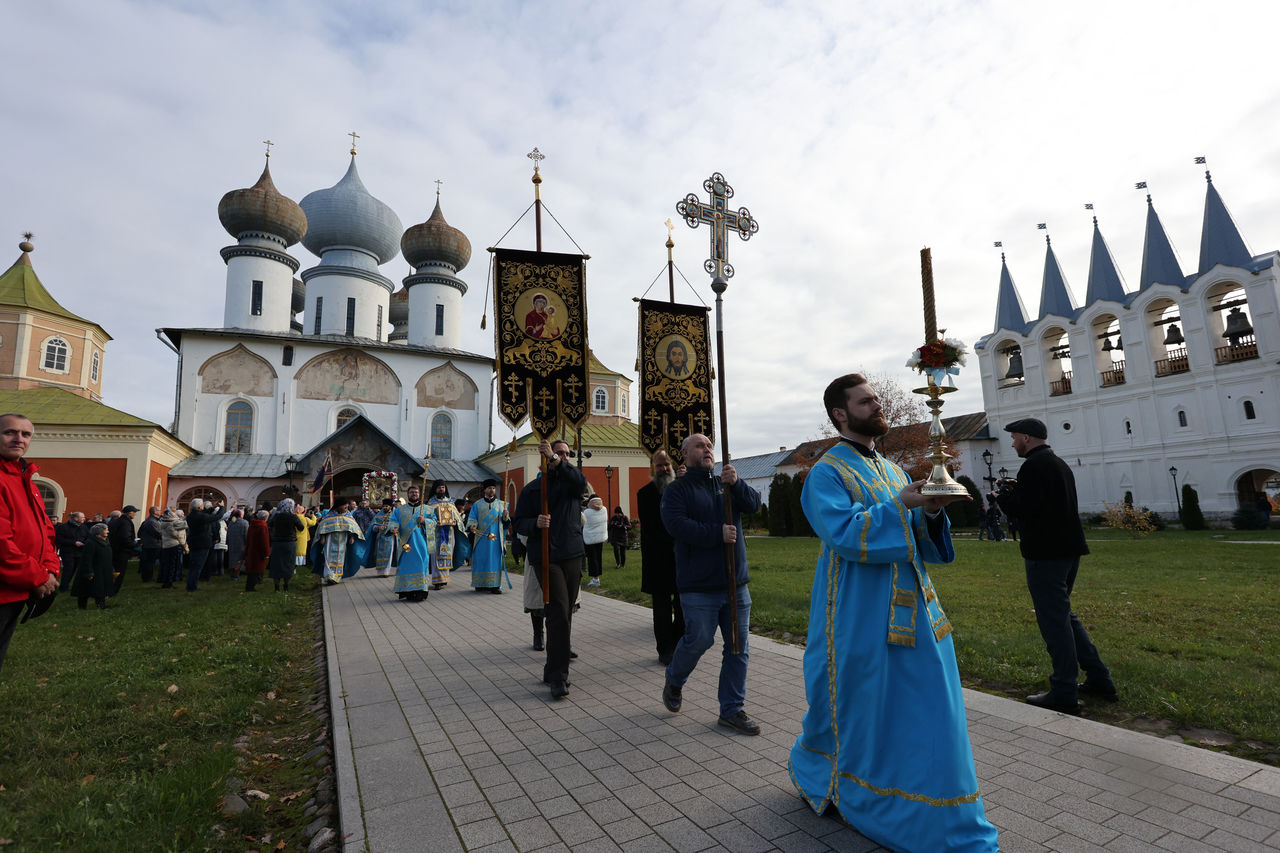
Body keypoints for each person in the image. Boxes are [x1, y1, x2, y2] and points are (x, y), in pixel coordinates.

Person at [787, 374, 998, 852]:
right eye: (866, 401)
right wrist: (900, 506)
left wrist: (929, 512)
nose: (877, 405)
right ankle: (860, 788)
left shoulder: (893, 469)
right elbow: (845, 533)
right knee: (866, 707)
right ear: (841, 414)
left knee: (926, 706)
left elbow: (918, 543)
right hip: (858, 613)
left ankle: (930, 796)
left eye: (877, 398)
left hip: (916, 610)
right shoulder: (826, 473)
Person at [997, 417, 1115, 713]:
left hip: (1045, 553)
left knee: (1054, 623)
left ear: (1026, 437)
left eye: (1014, 438)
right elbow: (1047, 504)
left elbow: (1025, 511)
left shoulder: (1034, 467)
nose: (1012, 444)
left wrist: (1002, 499)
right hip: (1068, 550)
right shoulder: (1057, 463)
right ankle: (1099, 678)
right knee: (1065, 616)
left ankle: (1063, 690)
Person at [659, 433, 762, 735]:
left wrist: (738, 482)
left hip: (735, 582)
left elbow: (754, 505)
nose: (707, 450)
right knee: (700, 639)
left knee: (737, 647)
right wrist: (716, 533)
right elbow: (677, 526)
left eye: (709, 446)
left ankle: (731, 710)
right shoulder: (677, 491)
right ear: (684, 453)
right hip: (699, 584)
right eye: (700, 446)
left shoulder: (725, 484)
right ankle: (675, 679)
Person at [512, 438, 587, 700]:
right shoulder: (533, 490)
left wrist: (556, 461)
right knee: (558, 613)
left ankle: (550, 667)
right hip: (546, 556)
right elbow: (518, 522)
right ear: (545, 457)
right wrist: (536, 523)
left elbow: (580, 483)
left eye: (567, 454)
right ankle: (558, 676)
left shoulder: (572, 484)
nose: (564, 457)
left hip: (572, 552)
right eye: (558, 453)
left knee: (565, 612)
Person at [0, 414, 60, 674]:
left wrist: (49, 569)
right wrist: (38, 577)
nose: (19, 439)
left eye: (25, 435)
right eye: (10, 432)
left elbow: (45, 532)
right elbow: (2, 543)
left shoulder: (25, 479)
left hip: (18, 589)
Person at [637, 451, 683, 665]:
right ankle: (665, 649)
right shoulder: (645, 494)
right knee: (662, 608)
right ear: (652, 468)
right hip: (658, 558)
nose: (664, 469)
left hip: (682, 557)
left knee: (683, 606)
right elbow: (651, 529)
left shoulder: (682, 487)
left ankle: (678, 643)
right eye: (660, 465)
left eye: (667, 465)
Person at [467, 479, 509, 592]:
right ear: (485, 489)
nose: (492, 490)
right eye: (489, 488)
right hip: (481, 537)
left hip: (496, 538)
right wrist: (472, 525)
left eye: (494, 488)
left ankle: (495, 585)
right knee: (481, 559)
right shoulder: (477, 504)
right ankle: (480, 584)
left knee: (494, 561)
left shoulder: (502, 505)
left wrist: (505, 516)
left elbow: (506, 524)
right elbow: (472, 518)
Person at [314, 502, 365, 586]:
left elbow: (351, 527)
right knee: (328, 556)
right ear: (338, 506)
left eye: (347, 505)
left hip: (342, 539)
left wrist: (352, 537)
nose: (346, 506)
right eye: (344, 504)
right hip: (330, 539)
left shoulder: (348, 515)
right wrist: (322, 537)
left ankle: (336, 576)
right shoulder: (329, 515)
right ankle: (328, 575)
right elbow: (323, 526)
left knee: (340, 557)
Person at [184, 498, 226, 591]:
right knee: (197, 566)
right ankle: (192, 587)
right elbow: (217, 517)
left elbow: (205, 513)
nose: (203, 506)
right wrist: (222, 507)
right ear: (199, 507)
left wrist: (213, 507)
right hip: (202, 543)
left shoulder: (191, 515)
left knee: (193, 565)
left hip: (194, 542)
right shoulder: (201, 517)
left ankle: (190, 585)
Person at [426, 481, 461, 589]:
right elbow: (427, 517)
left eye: (443, 487)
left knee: (447, 555)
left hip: (449, 533)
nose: (441, 489)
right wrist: (435, 523)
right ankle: (437, 581)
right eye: (439, 487)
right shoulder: (430, 503)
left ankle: (444, 578)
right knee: (436, 555)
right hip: (436, 533)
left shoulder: (450, 502)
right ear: (435, 489)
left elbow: (457, 517)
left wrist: (455, 522)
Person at [72, 523, 114, 610]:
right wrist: (89, 572)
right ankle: (82, 607)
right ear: (99, 531)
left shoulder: (106, 541)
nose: (108, 531)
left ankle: (101, 605)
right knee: (85, 589)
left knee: (101, 588)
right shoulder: (90, 543)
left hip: (103, 569)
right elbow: (87, 558)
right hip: (93, 569)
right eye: (106, 530)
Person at [268, 499, 304, 592]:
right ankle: (286, 586)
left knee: (277, 565)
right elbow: (301, 528)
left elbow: (270, 525)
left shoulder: (276, 516)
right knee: (288, 564)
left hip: (277, 543)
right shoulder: (293, 517)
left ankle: (276, 587)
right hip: (290, 543)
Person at [54, 511, 90, 591]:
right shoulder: (64, 527)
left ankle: (74, 586)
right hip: (68, 552)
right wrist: (73, 543)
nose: (84, 519)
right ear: (76, 518)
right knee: (68, 569)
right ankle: (63, 587)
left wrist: (84, 543)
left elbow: (88, 536)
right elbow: (59, 539)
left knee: (76, 570)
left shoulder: (83, 527)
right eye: (82, 517)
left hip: (80, 552)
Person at [107, 505, 139, 595]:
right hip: (122, 551)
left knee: (114, 570)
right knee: (119, 571)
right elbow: (125, 537)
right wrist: (134, 545)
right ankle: (113, 589)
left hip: (114, 549)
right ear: (130, 513)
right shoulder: (126, 522)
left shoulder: (116, 521)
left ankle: (110, 586)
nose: (135, 514)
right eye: (134, 512)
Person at [158, 509, 188, 588]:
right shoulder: (173, 524)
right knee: (173, 565)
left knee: (166, 564)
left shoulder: (163, 523)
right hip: (174, 546)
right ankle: (169, 582)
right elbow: (179, 535)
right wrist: (184, 545)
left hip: (166, 545)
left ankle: (165, 581)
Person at [582, 495, 608, 588]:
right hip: (600, 537)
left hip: (590, 539)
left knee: (592, 559)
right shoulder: (604, 509)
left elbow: (582, 519)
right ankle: (597, 577)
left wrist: (584, 502)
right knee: (598, 557)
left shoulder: (587, 512)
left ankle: (595, 579)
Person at [370, 499, 398, 576]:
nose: (385, 507)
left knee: (389, 554)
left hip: (390, 537)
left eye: (387, 506)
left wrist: (393, 529)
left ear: (390, 506)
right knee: (380, 554)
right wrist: (378, 528)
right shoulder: (378, 515)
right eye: (384, 506)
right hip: (380, 538)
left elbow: (397, 525)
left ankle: (386, 571)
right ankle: (380, 571)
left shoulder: (394, 515)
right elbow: (372, 527)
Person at [244, 510, 270, 591]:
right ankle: (251, 586)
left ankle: (250, 585)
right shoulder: (263, 526)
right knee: (257, 569)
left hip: (252, 549)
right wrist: (266, 552)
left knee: (252, 568)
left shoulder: (252, 525)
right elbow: (264, 541)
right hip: (259, 551)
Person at [137, 506, 164, 583]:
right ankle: (147, 578)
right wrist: (165, 535)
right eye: (159, 510)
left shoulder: (151, 520)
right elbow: (158, 533)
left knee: (149, 562)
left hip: (151, 544)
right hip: (152, 545)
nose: (160, 511)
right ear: (155, 512)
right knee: (149, 562)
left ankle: (148, 577)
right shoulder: (152, 521)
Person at [225, 509, 248, 580]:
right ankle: (236, 575)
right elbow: (246, 534)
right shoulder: (244, 522)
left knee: (232, 559)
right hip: (241, 543)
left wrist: (227, 542)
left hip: (232, 543)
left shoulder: (231, 522)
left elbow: (228, 533)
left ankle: (232, 575)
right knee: (239, 560)